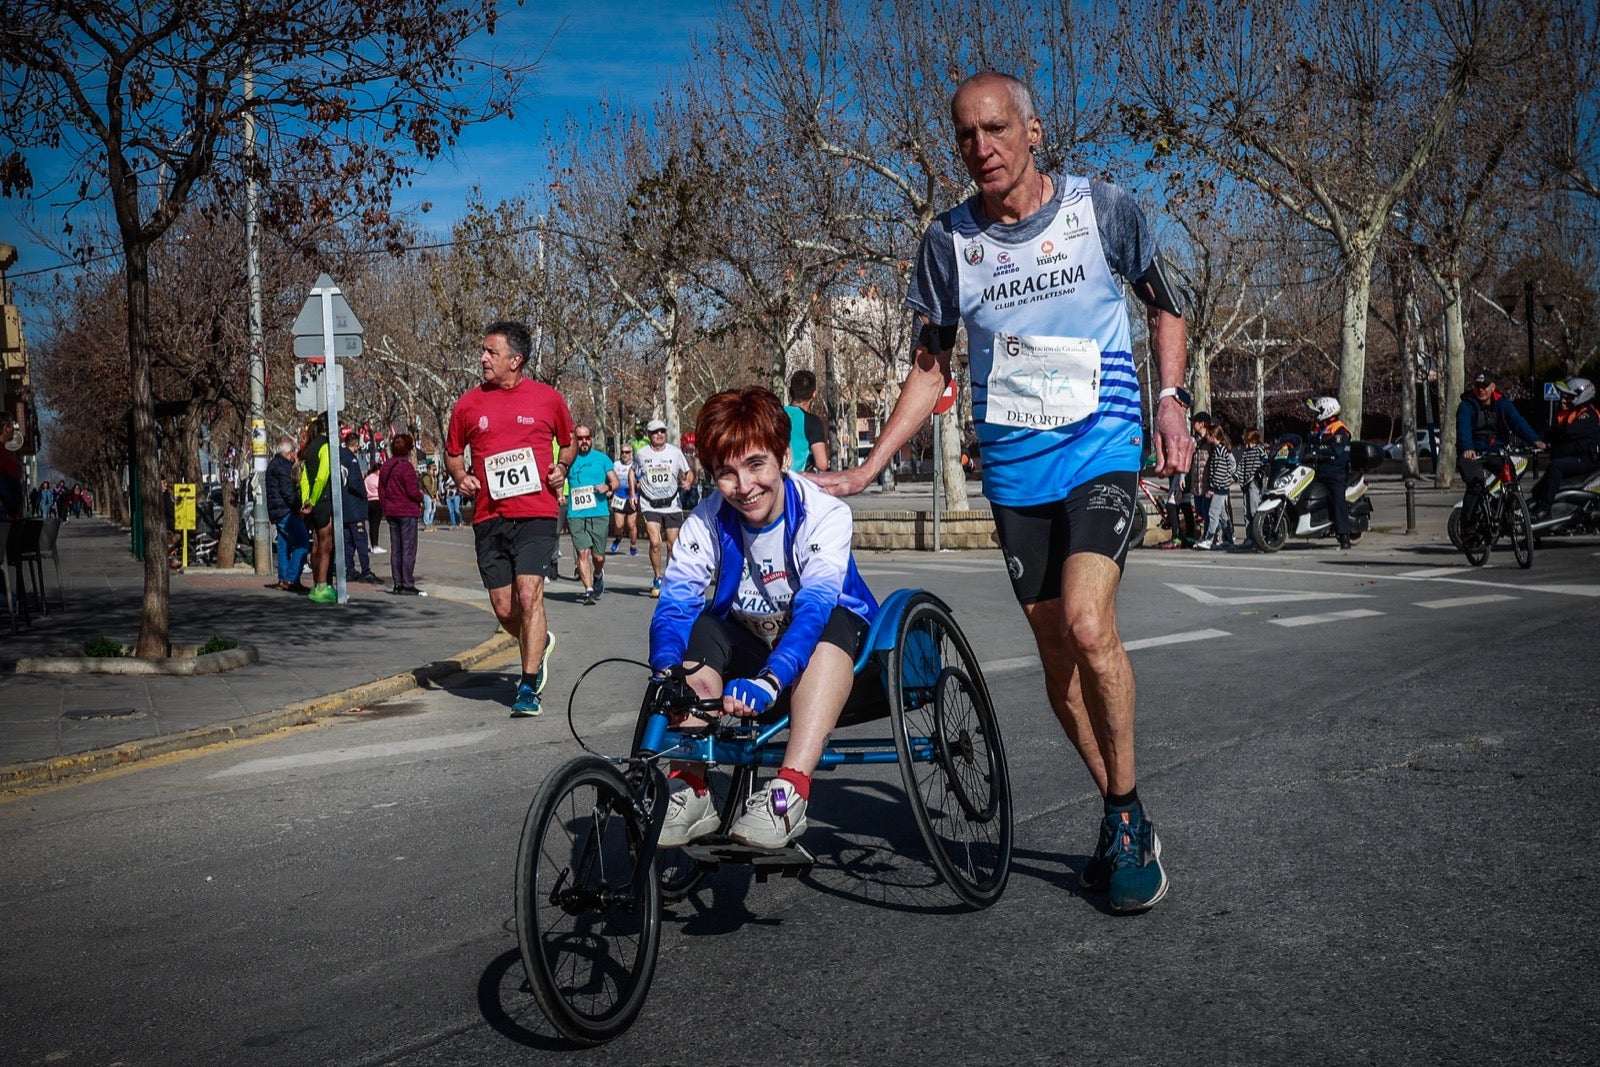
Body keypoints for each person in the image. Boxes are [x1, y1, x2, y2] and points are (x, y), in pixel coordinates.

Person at [812, 71, 1192, 913]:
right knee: (1057, 656)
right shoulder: (948, 243)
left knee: (1089, 624)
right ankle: (1118, 808)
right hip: (1015, 472)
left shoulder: (1104, 210)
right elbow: (930, 368)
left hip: (1100, 446)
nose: (980, 147)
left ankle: (1127, 817)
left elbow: (1168, 306)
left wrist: (1170, 398)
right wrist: (870, 466)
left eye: (995, 128)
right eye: (965, 135)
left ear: (1033, 131)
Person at [650, 386, 879, 849]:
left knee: (829, 617)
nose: (744, 486)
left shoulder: (824, 513)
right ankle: (690, 787)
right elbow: (675, 604)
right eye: (727, 473)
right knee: (702, 626)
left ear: (783, 458)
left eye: (756, 465)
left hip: (841, 654)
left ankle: (788, 792)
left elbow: (814, 609)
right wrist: (667, 671)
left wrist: (771, 681)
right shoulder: (706, 520)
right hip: (756, 651)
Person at [445, 321, 574, 718]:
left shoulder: (548, 399)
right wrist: (460, 476)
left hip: (537, 513)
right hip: (490, 516)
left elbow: (567, 444)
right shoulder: (467, 405)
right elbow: (453, 452)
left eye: (491, 352)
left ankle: (528, 686)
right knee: (505, 609)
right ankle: (539, 640)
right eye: (483, 351)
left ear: (515, 360)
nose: (483, 358)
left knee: (529, 595)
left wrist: (561, 468)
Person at [1455, 371, 1545, 531]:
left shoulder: (1502, 403)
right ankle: (1468, 522)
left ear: (1492, 387)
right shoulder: (1466, 406)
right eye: (1478, 386)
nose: (1481, 390)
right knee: (1476, 483)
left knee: (1511, 477)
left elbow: (1518, 423)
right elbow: (1463, 430)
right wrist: (1468, 448)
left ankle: (1505, 512)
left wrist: (1534, 440)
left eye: (1485, 386)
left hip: (1496, 451)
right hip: (1473, 453)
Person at [633, 417, 695, 599]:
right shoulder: (641, 454)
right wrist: (632, 493)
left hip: (672, 504)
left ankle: (669, 578)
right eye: (655, 432)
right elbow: (632, 471)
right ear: (649, 435)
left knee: (672, 545)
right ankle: (657, 578)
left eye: (662, 431)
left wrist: (688, 482)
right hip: (649, 504)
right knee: (655, 542)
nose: (659, 434)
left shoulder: (675, 453)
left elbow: (689, 472)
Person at [565, 424, 619, 605]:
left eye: (587, 438)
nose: (584, 441)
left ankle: (597, 574)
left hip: (599, 513)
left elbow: (616, 482)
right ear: (575, 440)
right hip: (576, 514)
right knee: (582, 553)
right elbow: (559, 480)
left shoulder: (602, 459)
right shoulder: (569, 459)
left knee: (598, 557)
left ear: (592, 439)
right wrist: (559, 495)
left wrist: (608, 487)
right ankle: (588, 590)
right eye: (580, 438)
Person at [1530, 377, 1598, 519]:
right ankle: (1531, 512)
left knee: (1556, 466)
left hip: (1587, 459)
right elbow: (1551, 433)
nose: (1563, 400)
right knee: (1539, 488)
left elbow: (1567, 431)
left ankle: (1545, 509)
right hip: (1575, 458)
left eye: (1568, 397)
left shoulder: (1589, 414)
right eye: (1564, 396)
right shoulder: (1568, 414)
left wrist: (1551, 440)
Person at [1305, 397, 1354, 550]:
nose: (1316, 415)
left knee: (1338, 499)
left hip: (1335, 473)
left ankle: (1344, 536)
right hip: (1318, 471)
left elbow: (1336, 450)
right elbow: (1310, 446)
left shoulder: (1339, 429)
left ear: (1327, 410)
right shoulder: (1320, 428)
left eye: (1318, 412)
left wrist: (1318, 452)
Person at [379, 433, 424, 595]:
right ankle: (407, 582)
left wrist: (386, 507)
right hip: (407, 512)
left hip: (392, 511)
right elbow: (412, 491)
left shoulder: (386, 466)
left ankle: (397, 582)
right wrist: (421, 496)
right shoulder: (406, 467)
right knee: (408, 548)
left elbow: (381, 490)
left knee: (396, 548)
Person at [298, 418, 337, 603]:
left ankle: (316, 585)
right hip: (323, 500)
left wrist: (306, 499)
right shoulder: (325, 446)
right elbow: (322, 476)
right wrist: (313, 501)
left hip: (313, 502)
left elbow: (305, 478)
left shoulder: (310, 447)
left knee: (316, 543)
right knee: (326, 545)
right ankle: (321, 585)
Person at [265, 436, 309, 592]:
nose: (294, 454)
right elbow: (288, 493)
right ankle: (291, 578)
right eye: (293, 452)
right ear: (288, 452)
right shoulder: (283, 467)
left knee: (284, 546)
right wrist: (299, 507)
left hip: (277, 512)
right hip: (286, 512)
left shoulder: (273, 464)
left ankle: (283, 579)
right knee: (303, 544)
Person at [339, 432, 377, 584]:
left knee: (348, 541)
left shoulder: (338, 457)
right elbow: (355, 482)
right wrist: (363, 494)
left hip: (344, 506)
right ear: (355, 445)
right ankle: (365, 570)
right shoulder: (351, 459)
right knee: (361, 540)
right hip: (354, 507)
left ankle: (350, 569)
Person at [1195, 423, 1237, 550]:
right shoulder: (1221, 450)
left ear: (1213, 436)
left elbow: (1219, 471)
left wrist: (1213, 488)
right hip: (1222, 488)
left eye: (1208, 435)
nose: (1206, 437)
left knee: (1213, 513)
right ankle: (1229, 539)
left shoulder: (1219, 451)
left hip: (1219, 489)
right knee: (1223, 516)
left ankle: (1209, 539)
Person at [784, 369, 829, 472]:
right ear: (814, 394)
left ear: (790, 391)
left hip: (773, 478)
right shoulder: (813, 422)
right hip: (796, 478)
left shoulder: (774, 415)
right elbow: (822, 464)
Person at [1237, 428, 1268, 548]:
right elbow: (1241, 466)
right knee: (1246, 512)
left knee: (1254, 510)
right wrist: (1236, 476)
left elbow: (1265, 463)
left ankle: (1258, 536)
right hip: (1245, 484)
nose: (1247, 443)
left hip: (1254, 483)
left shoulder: (1259, 449)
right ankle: (1249, 536)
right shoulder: (1246, 452)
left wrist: (1260, 475)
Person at [609, 441, 639, 555]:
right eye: (622, 452)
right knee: (619, 525)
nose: (624, 454)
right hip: (619, 497)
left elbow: (641, 483)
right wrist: (610, 490)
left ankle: (633, 545)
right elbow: (611, 479)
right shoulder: (616, 465)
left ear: (631, 453)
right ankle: (618, 538)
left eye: (627, 452)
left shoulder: (636, 465)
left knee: (631, 524)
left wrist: (635, 484)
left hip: (632, 497)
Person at [0, 419, 23, 519]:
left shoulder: (4, 451)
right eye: (12, 425)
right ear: (6, 428)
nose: (14, 429)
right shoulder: (2, 453)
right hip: (5, 512)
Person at [364, 461, 386, 554]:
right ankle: (375, 545)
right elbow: (382, 489)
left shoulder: (367, 478)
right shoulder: (377, 479)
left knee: (371, 525)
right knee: (376, 525)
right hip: (377, 501)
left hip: (368, 501)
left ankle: (372, 544)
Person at [419, 458, 439, 531]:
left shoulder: (434, 476)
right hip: (427, 495)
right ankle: (427, 524)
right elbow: (428, 487)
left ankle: (430, 523)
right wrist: (432, 496)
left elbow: (435, 487)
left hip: (433, 495)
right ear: (429, 467)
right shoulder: (426, 476)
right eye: (433, 466)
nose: (435, 467)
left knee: (433, 510)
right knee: (428, 509)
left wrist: (436, 495)